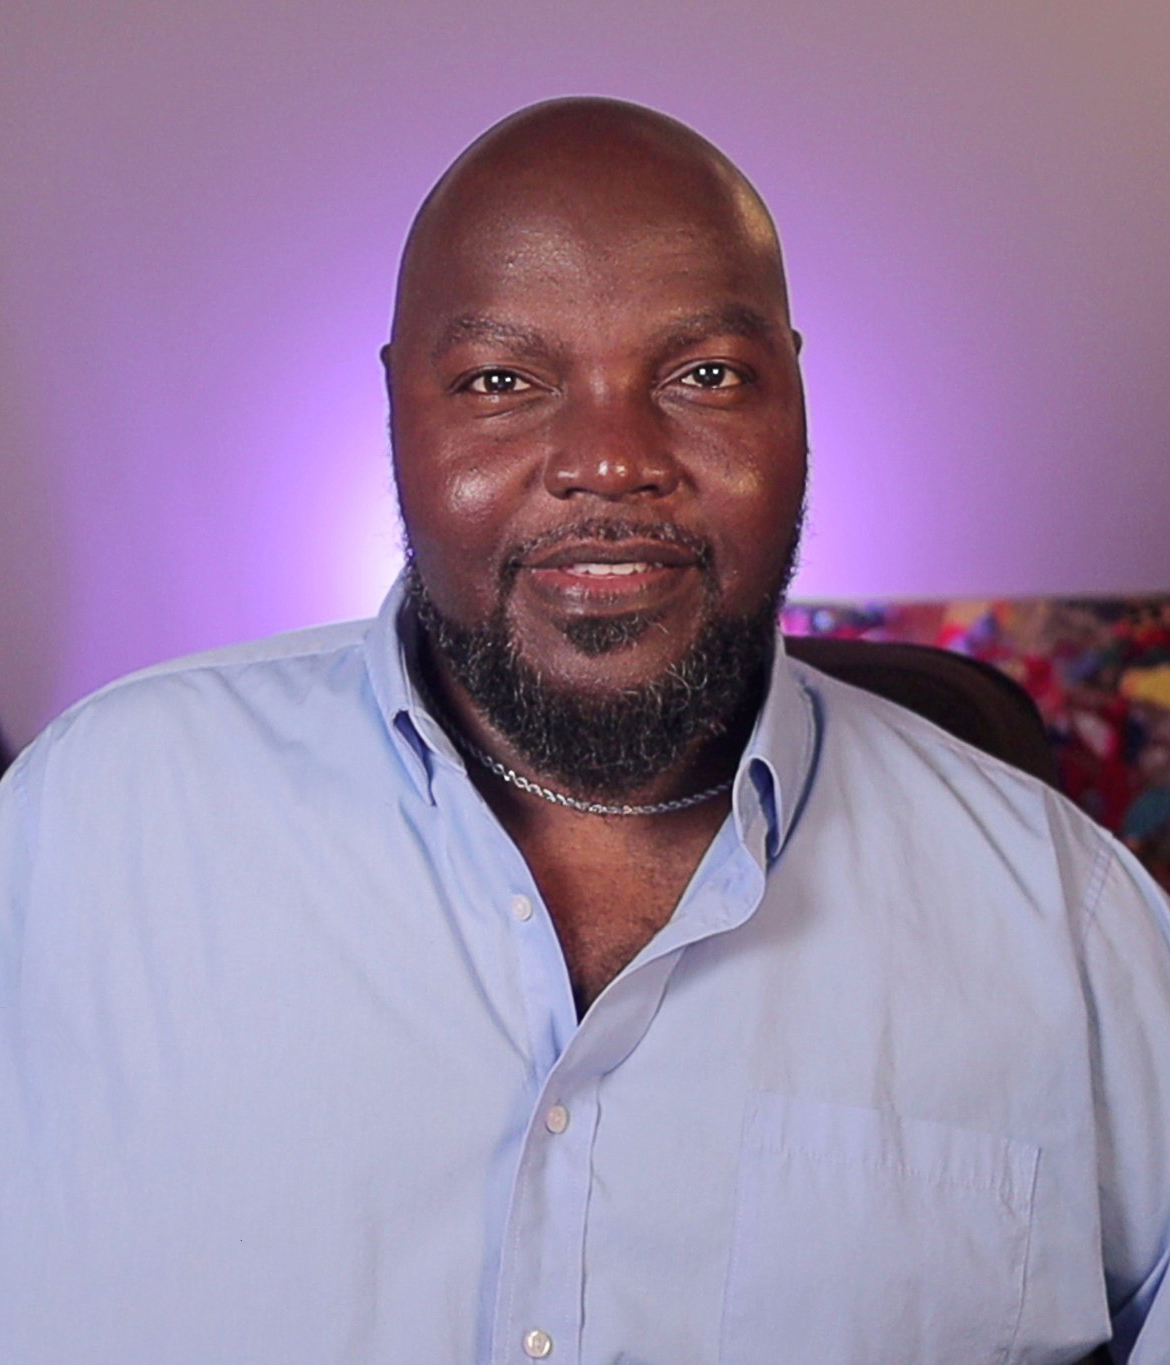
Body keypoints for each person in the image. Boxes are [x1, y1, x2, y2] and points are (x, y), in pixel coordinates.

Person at [0, 97, 1167, 1364]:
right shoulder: (86, 829)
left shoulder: (1069, 927)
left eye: (704, 376)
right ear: (396, 411)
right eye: (501, 381)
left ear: (795, 398)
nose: (611, 463)